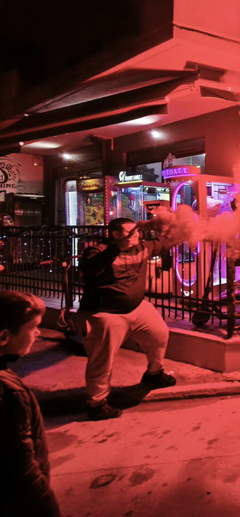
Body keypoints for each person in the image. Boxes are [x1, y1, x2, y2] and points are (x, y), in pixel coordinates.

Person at [78, 217, 177, 421]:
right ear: (115, 235)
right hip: (104, 314)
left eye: (137, 231)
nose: (136, 235)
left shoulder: (142, 247)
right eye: (131, 232)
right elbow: (89, 269)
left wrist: (172, 227)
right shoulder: (98, 251)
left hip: (137, 307)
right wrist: (116, 249)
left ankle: (154, 374)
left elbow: (165, 241)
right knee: (102, 359)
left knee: (158, 334)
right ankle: (97, 403)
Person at [0, 291, 62, 516]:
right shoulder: (8, 394)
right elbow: (23, 474)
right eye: (33, 327)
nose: (38, 333)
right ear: (3, 337)